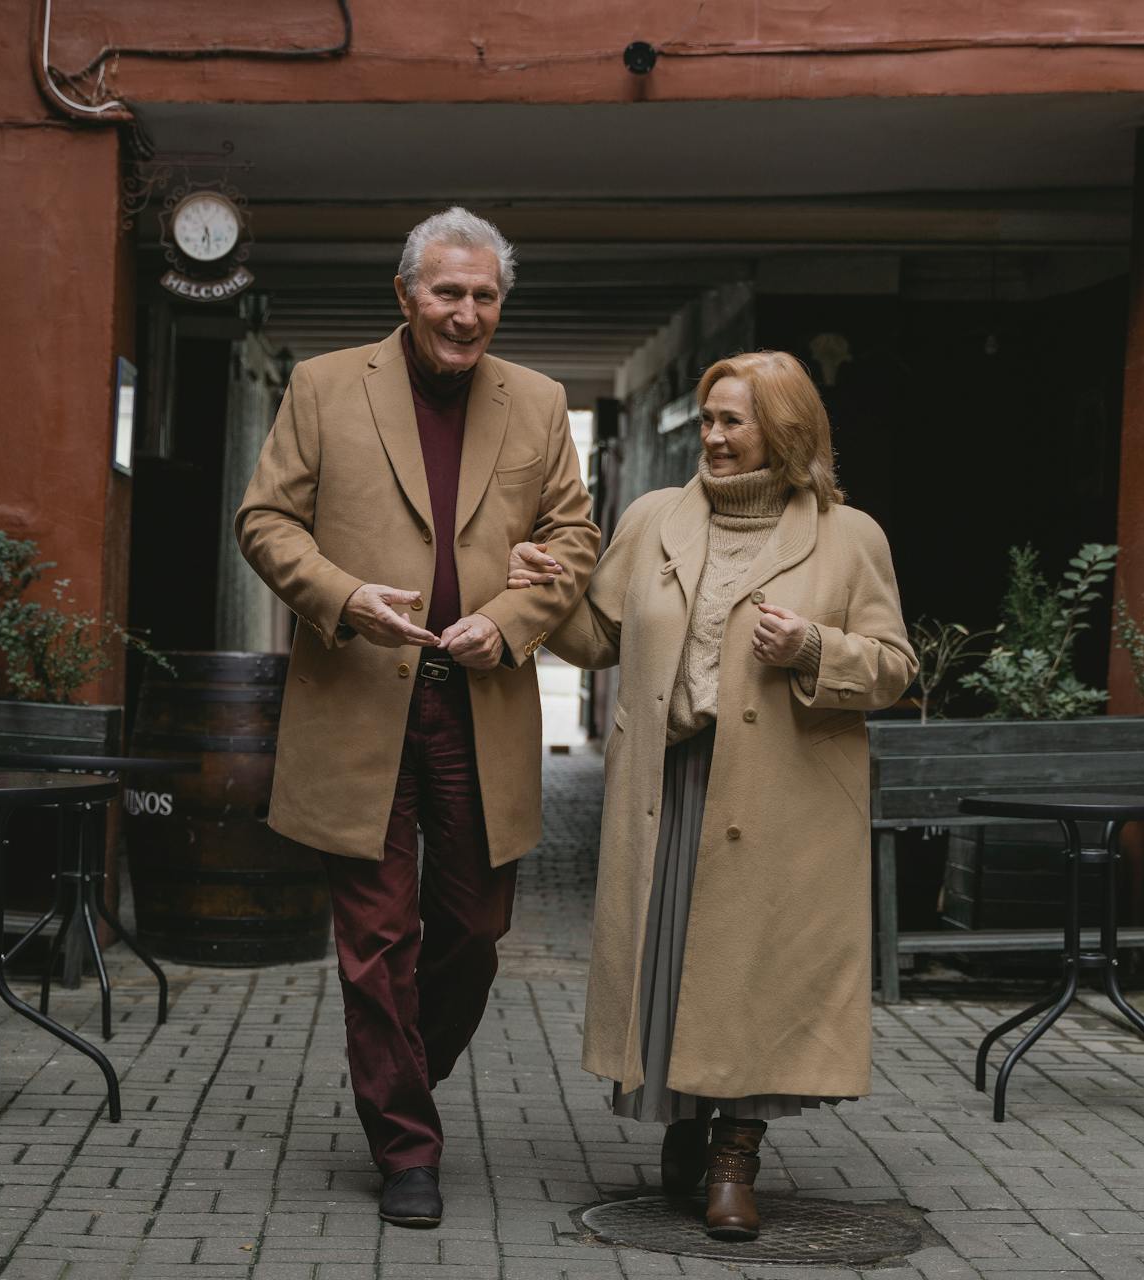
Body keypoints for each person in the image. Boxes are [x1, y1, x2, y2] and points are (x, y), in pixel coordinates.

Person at [234, 207, 599, 1228]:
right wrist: (344, 596)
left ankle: (397, 1073)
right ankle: (406, 1144)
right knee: (377, 934)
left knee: (476, 928)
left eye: (486, 295)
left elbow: (573, 537)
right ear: (406, 296)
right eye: (449, 292)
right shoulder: (323, 385)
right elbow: (263, 519)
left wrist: (513, 619)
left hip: (478, 704)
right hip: (359, 704)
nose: (468, 312)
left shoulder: (538, 402)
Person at [509, 350, 914, 1240]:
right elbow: (598, 636)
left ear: (788, 430)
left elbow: (893, 671)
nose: (715, 438)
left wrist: (814, 647)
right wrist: (544, 594)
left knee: (753, 975)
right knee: (675, 963)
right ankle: (686, 1125)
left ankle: (736, 1157)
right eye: (709, 420)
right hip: (672, 781)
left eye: (735, 421)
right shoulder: (654, 520)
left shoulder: (852, 538)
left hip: (784, 796)